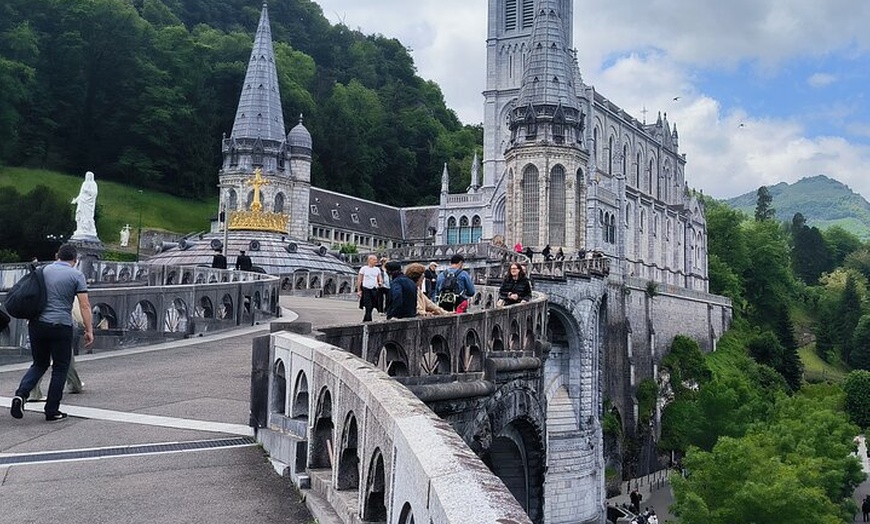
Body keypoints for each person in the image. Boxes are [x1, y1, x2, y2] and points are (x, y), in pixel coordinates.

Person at [10, 243, 93, 422]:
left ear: (57, 256)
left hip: (37, 324)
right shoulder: (77, 275)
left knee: (39, 363)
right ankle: (52, 410)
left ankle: (21, 395)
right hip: (61, 325)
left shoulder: (42, 270)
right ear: (75, 260)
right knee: (60, 367)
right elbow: (84, 305)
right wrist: (89, 330)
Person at [71, 171, 99, 238]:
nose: (88, 177)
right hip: (82, 202)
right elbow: (81, 194)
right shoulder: (84, 183)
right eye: (87, 175)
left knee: (87, 216)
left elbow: (94, 193)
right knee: (80, 215)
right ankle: (80, 229)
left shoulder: (93, 184)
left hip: (88, 203)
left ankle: (87, 229)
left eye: (89, 176)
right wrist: (75, 200)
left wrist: (87, 190)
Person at [356, 255, 382, 322]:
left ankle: (365, 320)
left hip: (374, 289)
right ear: (369, 260)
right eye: (374, 260)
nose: (376, 261)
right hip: (366, 289)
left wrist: (380, 282)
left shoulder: (377, 269)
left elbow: (380, 278)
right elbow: (359, 280)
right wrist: (359, 290)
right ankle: (368, 320)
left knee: (372, 305)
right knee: (368, 305)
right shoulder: (364, 268)